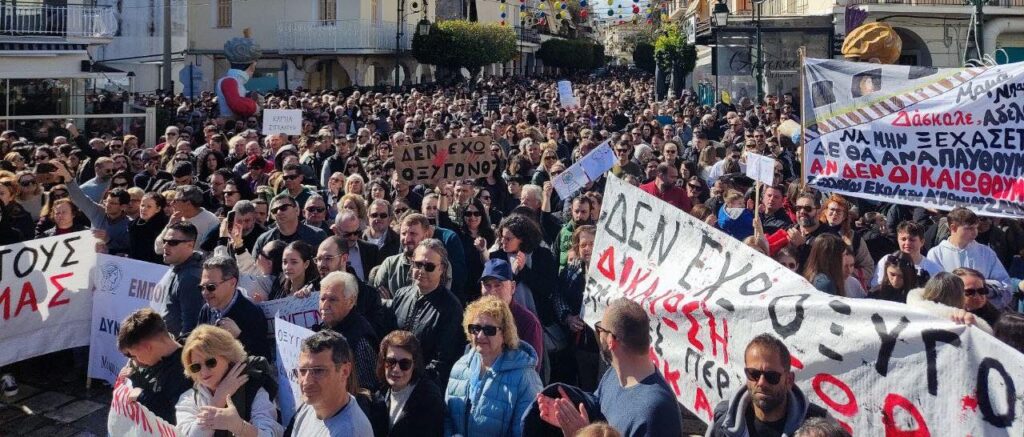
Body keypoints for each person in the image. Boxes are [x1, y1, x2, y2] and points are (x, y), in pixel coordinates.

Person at [538, 298, 683, 437]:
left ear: (610, 340)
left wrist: (583, 434)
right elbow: (598, 408)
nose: (598, 335)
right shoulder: (614, 375)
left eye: (600, 328)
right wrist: (571, 410)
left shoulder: (657, 412)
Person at [444, 296, 542, 437]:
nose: (480, 335)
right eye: (475, 328)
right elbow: (447, 419)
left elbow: (526, 432)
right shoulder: (460, 367)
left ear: (505, 333)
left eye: (489, 330)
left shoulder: (525, 379)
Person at [706, 334, 830, 437]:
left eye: (771, 376)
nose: (761, 382)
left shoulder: (821, 428)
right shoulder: (723, 419)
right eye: (753, 374)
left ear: (789, 380)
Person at [175, 325, 283, 437]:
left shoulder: (253, 388)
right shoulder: (188, 399)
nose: (204, 371)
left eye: (210, 362)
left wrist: (239, 427)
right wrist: (218, 400)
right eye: (196, 367)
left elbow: (271, 434)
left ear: (228, 357)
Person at [387, 239, 466, 387]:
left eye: (429, 267)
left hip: (424, 388)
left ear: (441, 269)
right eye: (418, 264)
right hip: (393, 380)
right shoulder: (401, 295)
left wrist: (413, 381)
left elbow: (443, 360)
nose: (422, 271)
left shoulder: (451, 308)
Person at [285, 330, 375, 436]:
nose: (306, 382)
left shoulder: (349, 431)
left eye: (318, 371)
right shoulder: (311, 406)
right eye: (302, 371)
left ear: (344, 371)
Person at [927, 208, 1019, 308]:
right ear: (953, 228)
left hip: (983, 311)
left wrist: (982, 289)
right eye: (969, 228)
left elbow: (1005, 286)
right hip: (951, 313)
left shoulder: (986, 252)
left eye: (976, 227)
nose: (975, 232)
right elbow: (935, 289)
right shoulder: (936, 253)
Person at [117, 308, 192, 425]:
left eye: (135, 355)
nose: (135, 362)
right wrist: (134, 377)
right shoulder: (161, 359)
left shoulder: (186, 370)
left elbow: (175, 418)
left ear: (148, 347)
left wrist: (141, 395)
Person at [367, 330, 446, 437]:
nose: (396, 369)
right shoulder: (379, 393)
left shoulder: (429, 400)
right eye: (390, 362)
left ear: (415, 365)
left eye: (404, 364)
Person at [311, 271, 380, 392]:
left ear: (351, 301)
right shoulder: (326, 327)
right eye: (322, 298)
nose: (325, 305)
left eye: (332, 299)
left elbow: (367, 390)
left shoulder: (360, 340)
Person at [196, 255, 270, 359]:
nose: (205, 292)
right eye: (202, 287)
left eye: (211, 287)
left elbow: (262, 358)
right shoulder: (206, 310)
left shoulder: (252, 313)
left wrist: (239, 337)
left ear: (232, 282)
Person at [480, 259, 544, 372]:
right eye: (487, 285)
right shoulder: (477, 319)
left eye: (498, 285)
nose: (492, 292)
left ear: (513, 287)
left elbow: (531, 370)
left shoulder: (528, 322)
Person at [159, 221, 206, 338]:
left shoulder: (191, 278)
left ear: (190, 245)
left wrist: (179, 353)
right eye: (165, 241)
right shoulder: (178, 267)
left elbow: (191, 327)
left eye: (173, 242)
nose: (165, 246)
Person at [906, 272, 993, 333]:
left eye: (982, 290)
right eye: (968, 292)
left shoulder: (909, 313)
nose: (976, 296)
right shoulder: (964, 323)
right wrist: (975, 327)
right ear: (959, 297)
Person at [252, 193, 328, 257]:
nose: (279, 212)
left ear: (297, 210)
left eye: (283, 208)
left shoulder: (317, 235)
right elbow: (254, 269)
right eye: (274, 210)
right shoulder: (264, 240)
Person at [869, 221, 941, 287]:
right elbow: (876, 286)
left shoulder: (934, 269)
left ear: (922, 242)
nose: (907, 243)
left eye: (912, 240)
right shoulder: (887, 261)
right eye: (903, 239)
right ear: (898, 240)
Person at [130, 192, 170, 264]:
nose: (144, 209)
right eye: (142, 205)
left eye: (149, 206)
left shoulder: (165, 226)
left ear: (158, 209)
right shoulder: (134, 224)